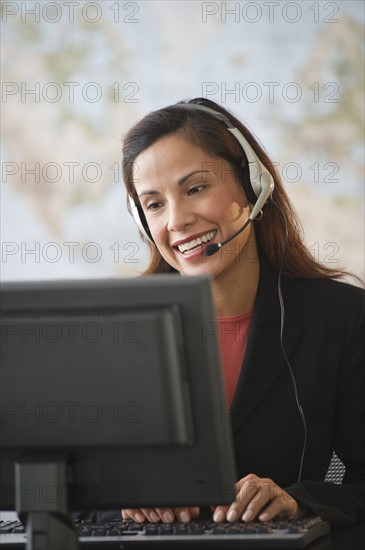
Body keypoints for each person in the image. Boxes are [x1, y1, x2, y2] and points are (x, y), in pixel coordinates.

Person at [120, 97, 365, 526]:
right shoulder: (117, 329)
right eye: (155, 203)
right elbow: (65, 491)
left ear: (253, 186)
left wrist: (299, 501)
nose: (176, 220)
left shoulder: (341, 319)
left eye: (195, 188)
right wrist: (125, 497)